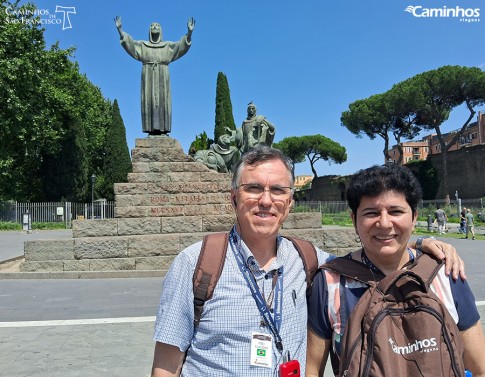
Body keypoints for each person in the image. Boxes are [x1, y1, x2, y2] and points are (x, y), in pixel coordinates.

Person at [151, 147, 464, 377]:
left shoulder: (309, 259)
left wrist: (416, 243)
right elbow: (166, 365)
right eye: (253, 188)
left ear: (289, 202)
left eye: (277, 190)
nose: (265, 200)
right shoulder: (195, 263)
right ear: (233, 197)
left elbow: (372, 251)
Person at [306, 164, 485, 377]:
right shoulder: (329, 282)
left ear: (414, 216)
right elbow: (312, 370)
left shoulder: (447, 274)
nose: (384, 223)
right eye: (371, 213)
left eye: (396, 211)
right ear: (354, 220)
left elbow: (479, 368)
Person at [115, 16, 195, 135]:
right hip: (148, 76)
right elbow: (130, 44)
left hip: (163, 75)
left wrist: (189, 33)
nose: (154, 27)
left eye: (157, 25)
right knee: (149, 101)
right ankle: (151, 130)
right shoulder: (143, 45)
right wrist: (120, 30)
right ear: (149, 31)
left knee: (163, 101)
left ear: (161, 31)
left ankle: (163, 130)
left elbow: (180, 46)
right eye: (152, 26)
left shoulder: (167, 46)